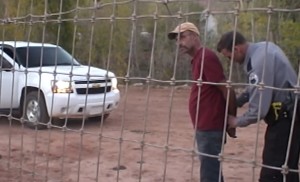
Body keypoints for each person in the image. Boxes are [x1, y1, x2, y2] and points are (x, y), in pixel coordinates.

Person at [217, 31, 300, 182]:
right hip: (291, 115)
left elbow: (258, 109)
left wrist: (236, 121)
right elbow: (254, 88)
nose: (231, 61)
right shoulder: (263, 49)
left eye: (229, 56)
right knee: (288, 169)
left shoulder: (258, 61)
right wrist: (238, 100)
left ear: (237, 49)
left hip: (286, 118)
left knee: (273, 171)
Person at [168, 22, 237, 182]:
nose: (179, 43)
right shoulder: (198, 58)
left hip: (210, 127)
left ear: (195, 36)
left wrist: (231, 121)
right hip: (205, 126)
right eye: (177, 39)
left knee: (209, 174)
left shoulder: (206, 56)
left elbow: (227, 89)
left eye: (183, 37)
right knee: (212, 171)